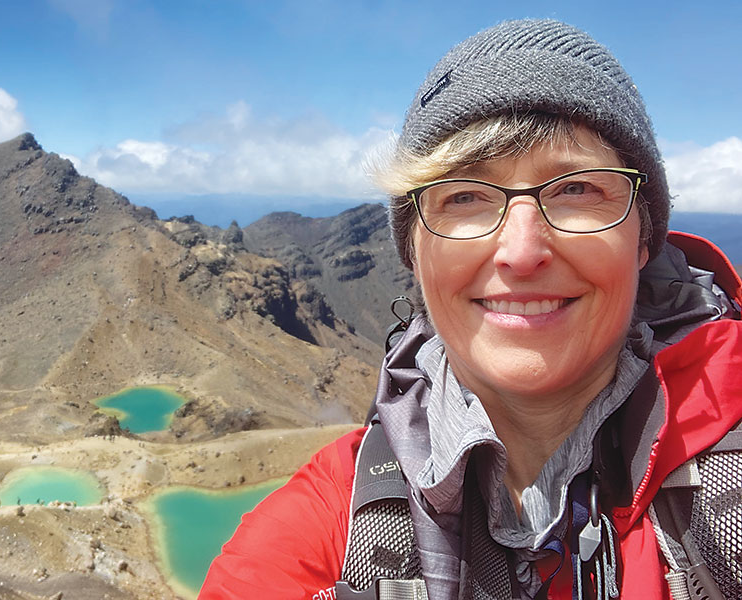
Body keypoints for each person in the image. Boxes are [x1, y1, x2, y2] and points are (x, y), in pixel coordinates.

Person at [199, 18, 742, 600]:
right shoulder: (318, 530)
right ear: (413, 252)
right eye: (464, 197)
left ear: (643, 239)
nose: (522, 251)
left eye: (578, 188)